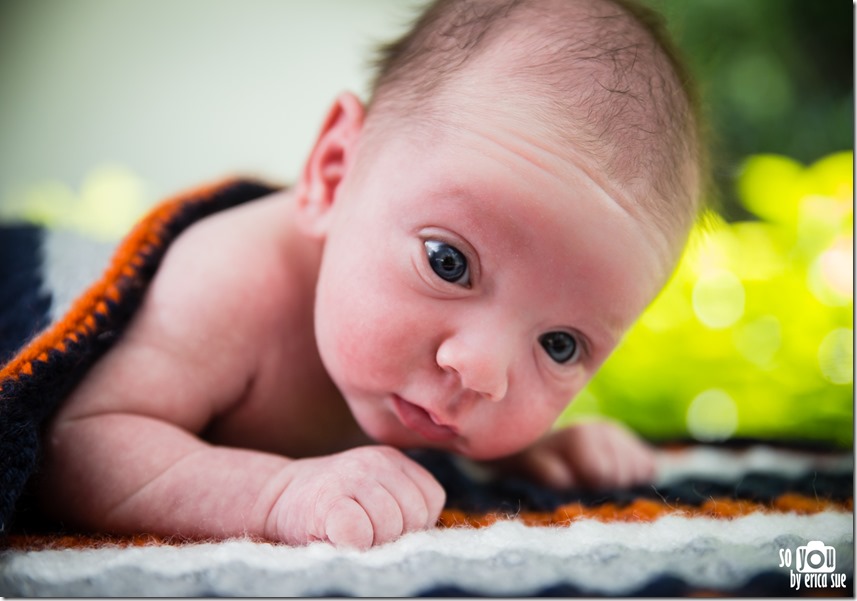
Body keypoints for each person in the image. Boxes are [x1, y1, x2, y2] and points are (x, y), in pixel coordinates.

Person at [34, 0, 704, 549]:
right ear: (333, 174)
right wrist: (276, 494)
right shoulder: (231, 281)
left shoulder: (424, 373)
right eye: (449, 262)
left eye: (559, 344)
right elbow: (74, 445)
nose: (481, 371)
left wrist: (520, 455)